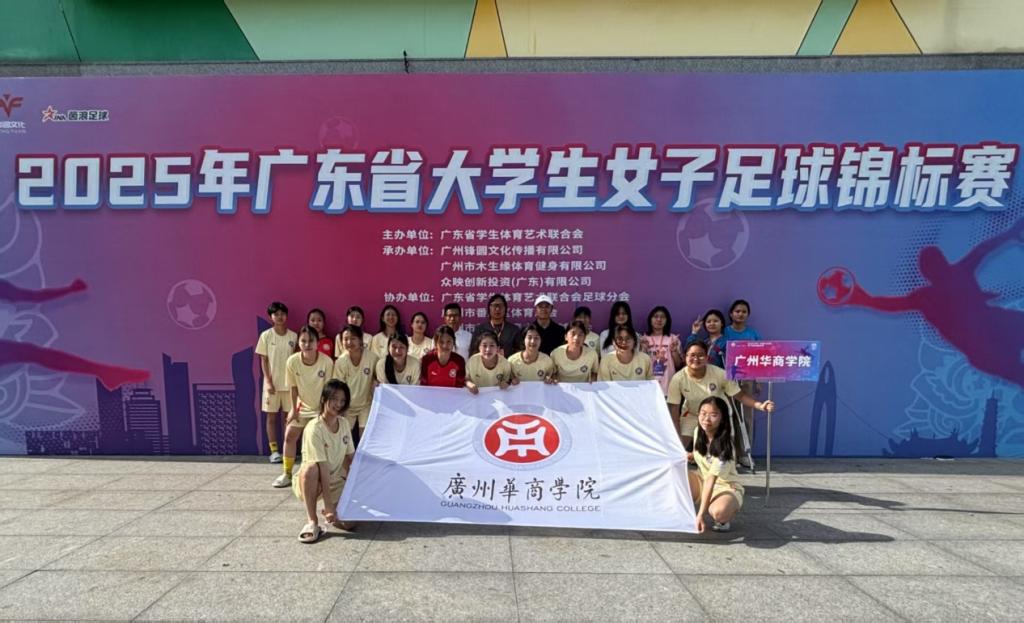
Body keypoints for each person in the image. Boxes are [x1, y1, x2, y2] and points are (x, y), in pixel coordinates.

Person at [667, 341, 773, 451]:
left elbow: (740, 396)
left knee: (722, 452)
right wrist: (676, 435)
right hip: (692, 414)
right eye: (692, 355)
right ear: (685, 357)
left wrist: (759, 405)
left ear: (707, 357)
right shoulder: (678, 379)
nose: (696, 359)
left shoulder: (720, 373)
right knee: (678, 448)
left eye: (700, 355)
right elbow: (674, 408)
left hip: (717, 416)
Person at [295, 379, 356, 543]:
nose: (338, 404)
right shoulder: (314, 428)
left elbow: (351, 457)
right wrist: (329, 504)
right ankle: (312, 521)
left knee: (350, 523)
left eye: (342, 400)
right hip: (313, 481)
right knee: (311, 469)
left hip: (335, 480)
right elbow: (322, 467)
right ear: (324, 399)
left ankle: (330, 514)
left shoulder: (344, 424)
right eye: (334, 399)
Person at [274, 325, 334, 488]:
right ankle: (287, 474)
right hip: (301, 408)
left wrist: (324, 412)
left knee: (318, 443)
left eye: (311, 341)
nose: (307, 344)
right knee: (289, 436)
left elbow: (329, 390)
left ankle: (325, 475)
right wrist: (293, 410)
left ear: (317, 343)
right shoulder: (292, 361)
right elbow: (293, 388)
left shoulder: (327, 362)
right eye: (303, 341)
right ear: (299, 343)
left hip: (320, 409)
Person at [689, 396, 744, 533]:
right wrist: (691, 455)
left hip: (725, 487)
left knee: (719, 512)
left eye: (713, 415)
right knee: (675, 476)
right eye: (703, 413)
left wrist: (700, 515)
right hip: (701, 479)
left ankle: (723, 520)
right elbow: (701, 453)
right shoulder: (698, 431)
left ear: (722, 418)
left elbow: (711, 480)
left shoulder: (725, 446)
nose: (706, 419)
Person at [255, 301, 296, 463]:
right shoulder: (266, 336)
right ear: (271, 317)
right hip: (271, 386)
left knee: (288, 419)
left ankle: (287, 450)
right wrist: (268, 381)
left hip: (289, 385)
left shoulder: (293, 336)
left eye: (282, 314)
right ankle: (274, 451)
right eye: (276, 314)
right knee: (271, 418)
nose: (280, 317)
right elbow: (263, 360)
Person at [724, 299, 762, 467]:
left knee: (746, 417)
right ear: (731, 314)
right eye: (737, 311)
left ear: (748, 315)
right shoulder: (724, 332)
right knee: (728, 416)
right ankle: (730, 455)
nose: (740, 314)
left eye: (744, 311)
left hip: (747, 379)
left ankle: (745, 454)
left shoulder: (753, 334)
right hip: (727, 379)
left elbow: (760, 358)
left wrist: (758, 380)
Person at [332, 324, 378, 435]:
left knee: (365, 437)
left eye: (353, 338)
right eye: (345, 339)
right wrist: (340, 408)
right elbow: (338, 387)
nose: (349, 342)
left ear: (360, 340)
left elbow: (379, 380)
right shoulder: (340, 362)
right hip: (347, 407)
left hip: (366, 405)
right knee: (343, 437)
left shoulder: (372, 358)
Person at [640, 305, 682, 396]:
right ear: (650, 319)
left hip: (669, 386)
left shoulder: (673, 339)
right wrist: (644, 348)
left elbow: (678, 364)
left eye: (662, 317)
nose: (659, 319)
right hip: (648, 386)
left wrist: (674, 351)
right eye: (656, 316)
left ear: (667, 320)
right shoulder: (643, 339)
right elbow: (640, 365)